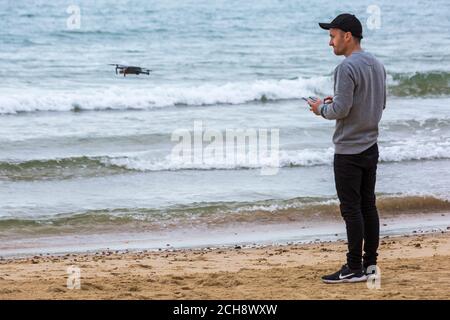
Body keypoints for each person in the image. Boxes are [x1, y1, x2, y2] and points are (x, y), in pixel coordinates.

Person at [307, 13, 386, 283]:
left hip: (349, 152)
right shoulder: (376, 63)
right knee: (368, 206)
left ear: (347, 36)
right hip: (370, 147)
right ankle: (370, 265)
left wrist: (321, 108)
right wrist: (338, 100)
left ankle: (353, 268)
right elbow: (378, 104)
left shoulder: (346, 68)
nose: (330, 42)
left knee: (351, 209)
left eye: (332, 36)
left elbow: (339, 110)